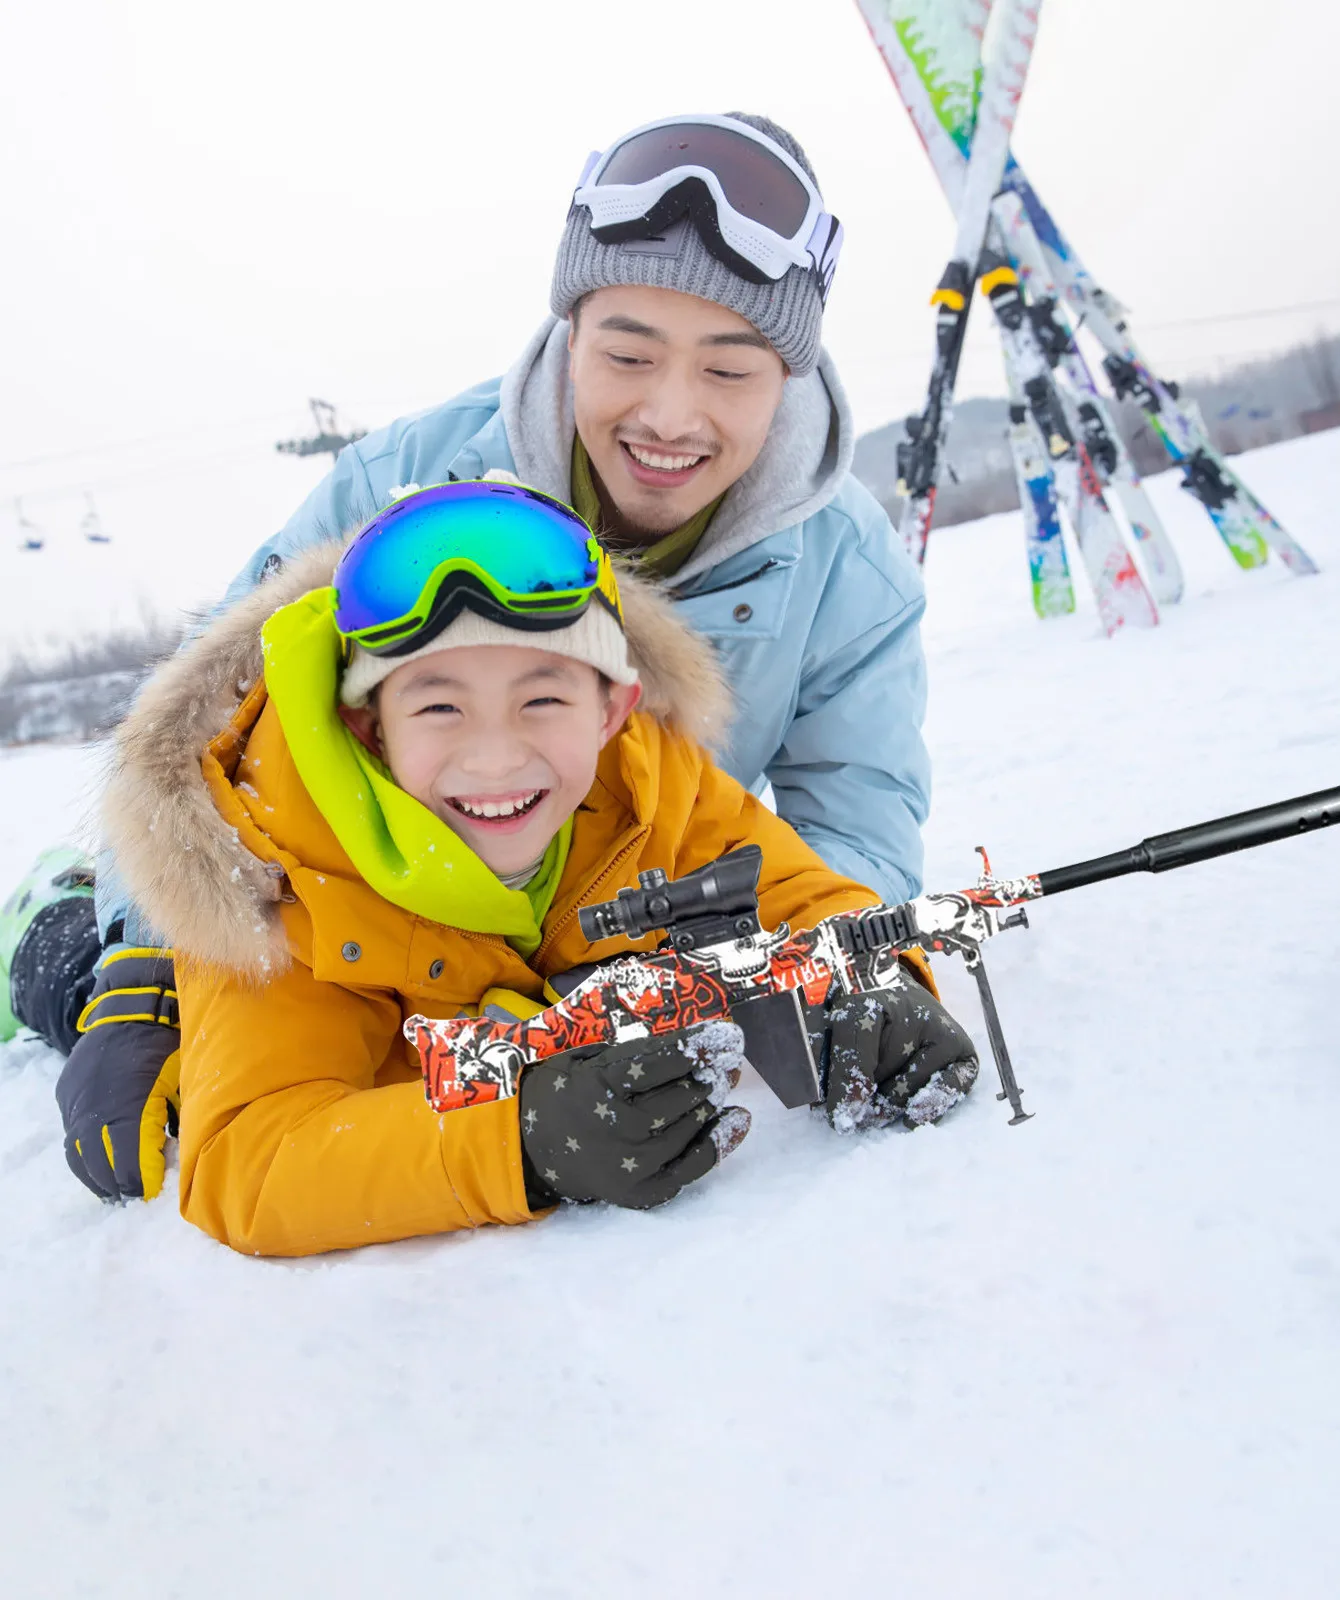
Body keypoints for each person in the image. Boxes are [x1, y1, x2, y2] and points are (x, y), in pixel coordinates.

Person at [33, 110, 937, 1204]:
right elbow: (202, 738)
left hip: (606, 907)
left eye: (730, 371)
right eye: (627, 355)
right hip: (372, 921)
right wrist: (137, 966)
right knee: (168, 1026)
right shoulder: (399, 489)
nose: (670, 414)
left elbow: (854, 829)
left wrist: (833, 978)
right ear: (570, 334)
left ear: (790, 374)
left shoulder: (848, 573)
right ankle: (55, 927)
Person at [75, 480, 976, 1254]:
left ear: (613, 710)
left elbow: (794, 889)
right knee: (74, 987)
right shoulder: (277, 857)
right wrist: (521, 1141)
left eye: (542, 698)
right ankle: (53, 914)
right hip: (184, 984)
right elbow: (251, 1160)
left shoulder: (650, 776)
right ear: (369, 727)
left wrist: (873, 976)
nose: (497, 758)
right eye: (440, 708)